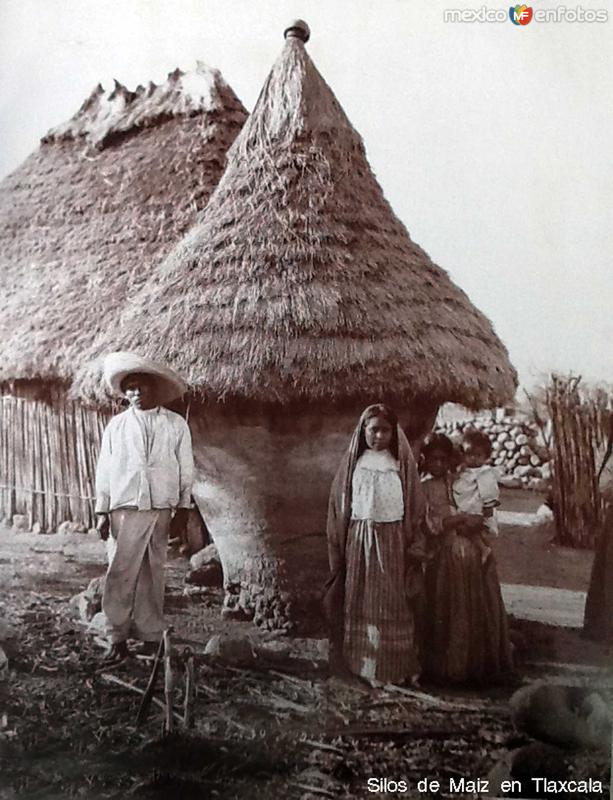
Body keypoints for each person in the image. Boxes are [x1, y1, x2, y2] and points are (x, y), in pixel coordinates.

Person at [95, 352, 194, 662]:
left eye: (141, 387)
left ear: (155, 389)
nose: (136, 394)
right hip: (124, 507)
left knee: (153, 570)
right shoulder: (117, 427)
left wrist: (183, 507)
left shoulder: (175, 425)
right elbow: (105, 469)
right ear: (125, 393)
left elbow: (185, 468)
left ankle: (151, 634)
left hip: (160, 506)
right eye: (130, 388)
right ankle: (116, 636)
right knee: (121, 570)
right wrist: (102, 510)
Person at [324, 403, 426, 686]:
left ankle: (393, 667)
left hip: (392, 540)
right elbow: (340, 504)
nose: (379, 436)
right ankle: (365, 666)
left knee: (392, 600)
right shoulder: (354, 464)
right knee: (362, 597)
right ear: (363, 431)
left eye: (385, 431)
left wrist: (413, 543)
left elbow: (415, 504)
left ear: (394, 433)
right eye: (373, 430)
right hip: (360, 538)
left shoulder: (400, 466)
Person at [421, 433, 513, 684]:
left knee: (478, 600)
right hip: (445, 551)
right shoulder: (424, 488)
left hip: (469, 545)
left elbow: (481, 505)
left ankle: (477, 663)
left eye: (443, 460)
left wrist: (475, 523)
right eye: (434, 460)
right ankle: (449, 667)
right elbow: (430, 525)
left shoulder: (458, 479)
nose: (439, 465)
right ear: (425, 461)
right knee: (451, 605)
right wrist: (458, 520)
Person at [453, 429, 500, 563]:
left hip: (476, 508)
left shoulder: (484, 473)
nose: (473, 458)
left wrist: (488, 511)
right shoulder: (463, 470)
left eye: (478, 455)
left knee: (470, 529)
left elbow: (489, 492)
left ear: (486, 456)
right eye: (469, 454)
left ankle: (484, 548)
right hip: (464, 505)